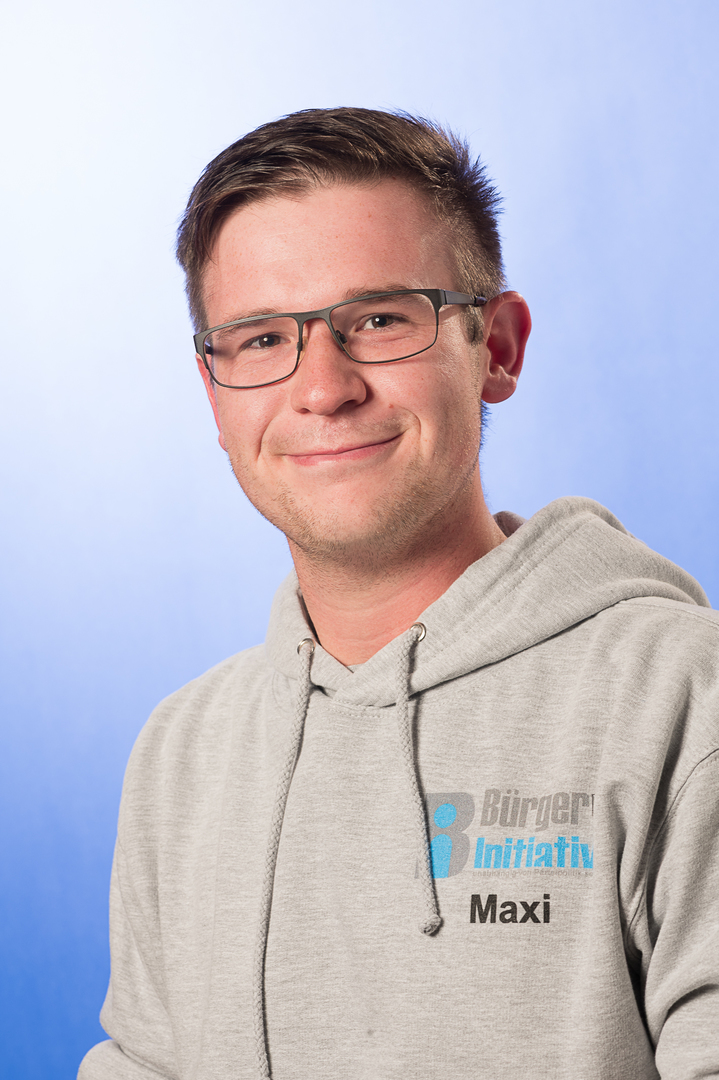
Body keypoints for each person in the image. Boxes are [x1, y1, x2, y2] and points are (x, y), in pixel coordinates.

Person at [79, 108, 719, 1080]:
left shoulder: (679, 699)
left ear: (495, 347)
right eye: (261, 338)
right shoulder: (183, 750)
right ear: (214, 393)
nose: (322, 387)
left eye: (379, 319)